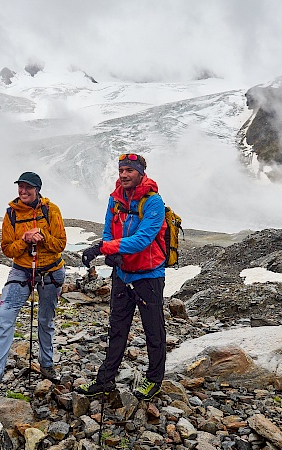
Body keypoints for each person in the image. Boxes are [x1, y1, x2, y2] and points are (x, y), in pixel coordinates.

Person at [76, 153, 167, 401]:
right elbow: (108, 229)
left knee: (153, 331)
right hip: (123, 274)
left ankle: (154, 380)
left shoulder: (153, 202)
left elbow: (143, 239)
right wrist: (111, 250)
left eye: (129, 170)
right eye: (121, 170)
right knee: (117, 328)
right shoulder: (115, 199)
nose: (124, 175)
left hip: (148, 276)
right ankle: (105, 381)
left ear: (140, 173)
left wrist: (104, 249)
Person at [0, 171, 66, 401]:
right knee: (4, 316)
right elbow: (7, 249)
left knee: (46, 320)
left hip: (51, 272)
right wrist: (25, 240)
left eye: (28, 188)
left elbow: (60, 244)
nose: (23, 191)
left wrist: (42, 236)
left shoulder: (51, 210)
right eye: (20, 187)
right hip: (22, 270)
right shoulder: (11, 214)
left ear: (38, 189)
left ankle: (47, 364)